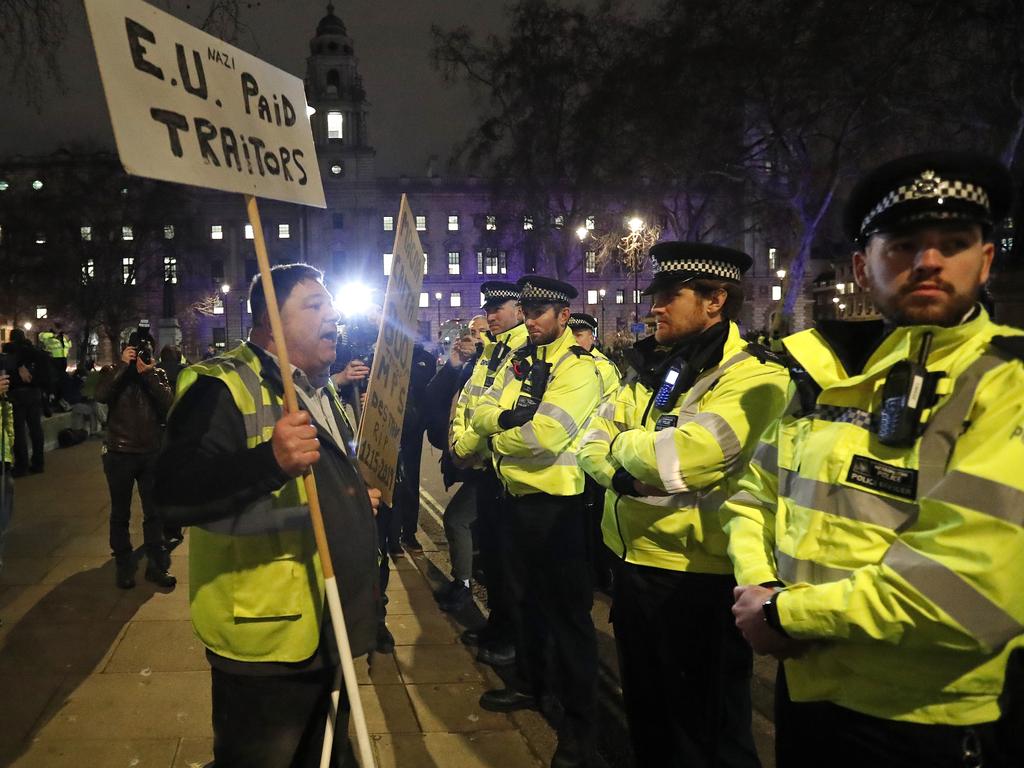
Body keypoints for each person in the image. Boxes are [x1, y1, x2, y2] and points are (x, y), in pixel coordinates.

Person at [725, 151, 1024, 768]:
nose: (929, 261)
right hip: (812, 693)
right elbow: (753, 493)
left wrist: (785, 613)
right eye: (905, 244)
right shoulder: (842, 382)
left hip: (924, 723)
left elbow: (970, 592)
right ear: (864, 269)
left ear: (986, 260)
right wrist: (760, 586)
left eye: (954, 242)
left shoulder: (1006, 383)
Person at [154, 263, 381, 768]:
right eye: (315, 306)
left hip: (331, 626)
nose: (333, 317)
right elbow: (173, 493)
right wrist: (269, 462)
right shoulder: (221, 385)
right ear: (269, 321)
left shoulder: (321, 389)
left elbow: (322, 481)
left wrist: (351, 498)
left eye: (332, 307)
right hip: (266, 642)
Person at [577, 243, 789, 768]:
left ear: (716, 300)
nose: (655, 307)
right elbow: (588, 441)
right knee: (650, 721)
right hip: (635, 566)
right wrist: (625, 478)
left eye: (671, 296)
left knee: (709, 733)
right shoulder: (658, 366)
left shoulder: (753, 376)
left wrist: (625, 447)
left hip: (698, 580)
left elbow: (686, 457)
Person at [472, 276, 602, 768]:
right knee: (524, 605)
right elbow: (485, 405)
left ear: (564, 316)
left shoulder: (578, 368)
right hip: (516, 501)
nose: (529, 320)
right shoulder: (524, 359)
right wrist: (504, 420)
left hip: (557, 510)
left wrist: (494, 437)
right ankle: (530, 683)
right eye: (526, 312)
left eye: (539, 313)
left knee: (569, 622)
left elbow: (545, 436)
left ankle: (580, 733)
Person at [451, 281, 528, 666]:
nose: (492, 314)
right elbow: (468, 400)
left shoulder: (519, 349)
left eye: (501, 307)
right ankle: (498, 625)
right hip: (483, 467)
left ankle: (509, 637)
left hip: (499, 467)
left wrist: (467, 447)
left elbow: (503, 414)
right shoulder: (493, 350)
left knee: (506, 562)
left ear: (520, 309)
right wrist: (458, 439)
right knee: (493, 558)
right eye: (489, 308)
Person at [96, 331, 176, 589]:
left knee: (154, 512)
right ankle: (124, 564)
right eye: (136, 349)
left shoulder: (157, 374)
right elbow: (102, 394)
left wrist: (148, 373)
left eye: (146, 349)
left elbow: (169, 404)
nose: (141, 354)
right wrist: (122, 365)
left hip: (151, 452)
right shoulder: (113, 371)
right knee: (120, 512)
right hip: (119, 453)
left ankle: (156, 564)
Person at [425, 316, 487, 613]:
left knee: (457, 519)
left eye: (481, 333)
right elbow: (432, 397)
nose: (474, 339)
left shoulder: (492, 369)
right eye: (472, 332)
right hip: (469, 462)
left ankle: (464, 584)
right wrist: (452, 364)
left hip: (486, 467)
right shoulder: (464, 367)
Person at [567, 312, 622, 592]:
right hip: (571, 453)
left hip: (593, 449)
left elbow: (608, 410)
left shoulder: (603, 366)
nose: (575, 339)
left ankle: (601, 574)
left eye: (580, 334)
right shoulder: (566, 363)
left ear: (592, 337)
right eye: (572, 333)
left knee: (596, 518)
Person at [2, 327, 49, 477]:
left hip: (16, 394)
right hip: (34, 393)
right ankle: (38, 462)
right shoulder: (35, 352)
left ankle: (21, 465)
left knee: (19, 430)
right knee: (35, 429)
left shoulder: (10, 352)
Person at [567, 313, 620, 402]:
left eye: (578, 335)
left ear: (591, 338)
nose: (573, 340)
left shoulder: (603, 366)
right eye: (569, 335)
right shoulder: (570, 360)